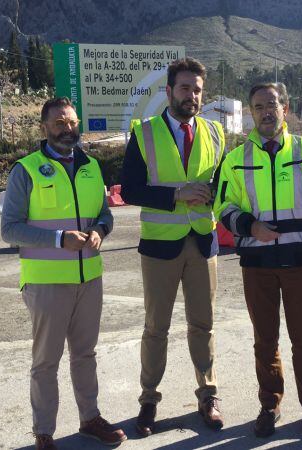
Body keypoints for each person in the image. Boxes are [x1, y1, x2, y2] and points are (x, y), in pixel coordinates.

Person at [214, 82, 302, 440]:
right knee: (264, 340)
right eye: (258, 107)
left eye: (272, 104)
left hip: (300, 262)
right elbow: (222, 207)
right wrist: (249, 225)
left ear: (285, 109)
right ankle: (270, 404)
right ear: (251, 113)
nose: (266, 112)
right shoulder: (235, 159)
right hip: (257, 264)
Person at [1, 97, 126, 450]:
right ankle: (44, 432)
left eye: (71, 122)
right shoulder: (25, 170)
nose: (67, 128)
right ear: (44, 128)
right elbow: (10, 229)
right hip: (46, 282)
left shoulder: (91, 167)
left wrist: (102, 229)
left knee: (85, 355)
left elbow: (105, 213)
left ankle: (90, 419)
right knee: (46, 362)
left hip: (89, 280)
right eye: (59, 122)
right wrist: (59, 239)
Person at [120, 57, 226, 436]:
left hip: (202, 243)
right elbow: (129, 189)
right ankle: (149, 399)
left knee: (204, 324)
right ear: (168, 91)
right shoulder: (145, 132)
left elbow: (224, 185)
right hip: (160, 246)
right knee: (156, 328)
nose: (191, 95)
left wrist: (215, 197)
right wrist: (177, 194)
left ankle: (208, 394)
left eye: (197, 90)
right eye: (184, 88)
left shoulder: (215, 133)